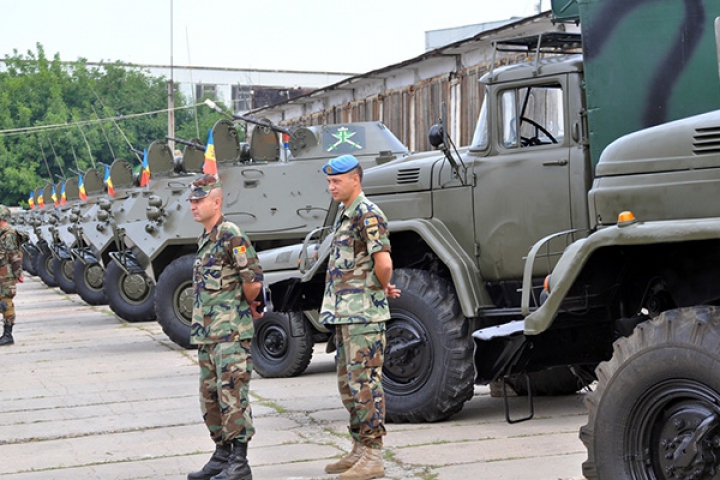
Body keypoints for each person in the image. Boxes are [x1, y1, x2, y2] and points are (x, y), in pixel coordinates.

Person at [320, 155, 401, 480]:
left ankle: (373, 454)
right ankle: (358, 447)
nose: (331, 187)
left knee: (365, 385)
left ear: (355, 179)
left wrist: (378, 289)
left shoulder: (367, 214)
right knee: (348, 385)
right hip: (346, 315)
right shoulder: (347, 214)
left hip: (363, 315)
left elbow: (384, 263)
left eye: (336, 181)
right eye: (329, 181)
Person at [187, 174, 263, 480]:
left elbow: (253, 282)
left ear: (216, 202)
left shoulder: (231, 234)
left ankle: (239, 463)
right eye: (191, 201)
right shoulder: (205, 240)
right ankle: (222, 454)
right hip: (208, 335)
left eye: (199, 200)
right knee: (210, 396)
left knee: (233, 395)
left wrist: (238, 309)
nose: (193, 205)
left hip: (231, 333)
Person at [0, 205, 23, 346]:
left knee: (6, 303)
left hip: (6, 274)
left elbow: (14, 256)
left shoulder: (9, 235)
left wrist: (17, 274)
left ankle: (8, 335)